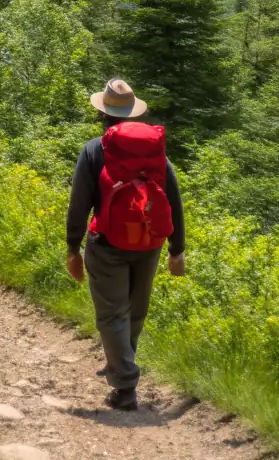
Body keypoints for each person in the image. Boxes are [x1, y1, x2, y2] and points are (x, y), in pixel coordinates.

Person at [65, 78, 185, 411]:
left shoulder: (94, 149)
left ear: (103, 113)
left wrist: (72, 247)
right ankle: (122, 362)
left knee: (111, 314)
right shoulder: (154, 151)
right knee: (135, 310)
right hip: (149, 242)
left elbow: (79, 203)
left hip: (106, 243)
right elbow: (172, 199)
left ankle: (125, 384)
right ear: (132, 113)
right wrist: (178, 248)